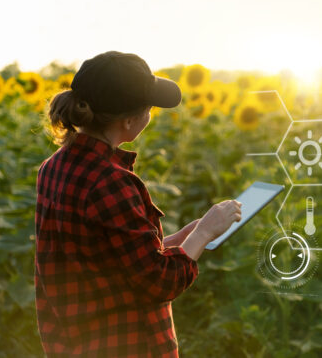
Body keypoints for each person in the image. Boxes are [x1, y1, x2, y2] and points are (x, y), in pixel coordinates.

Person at [34, 51, 242, 357]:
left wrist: (179, 237)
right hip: (123, 343)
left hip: (74, 340)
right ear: (130, 120)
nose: (150, 115)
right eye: (150, 109)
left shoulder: (53, 167)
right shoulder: (111, 181)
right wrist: (204, 234)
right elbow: (159, 281)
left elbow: (111, 257)